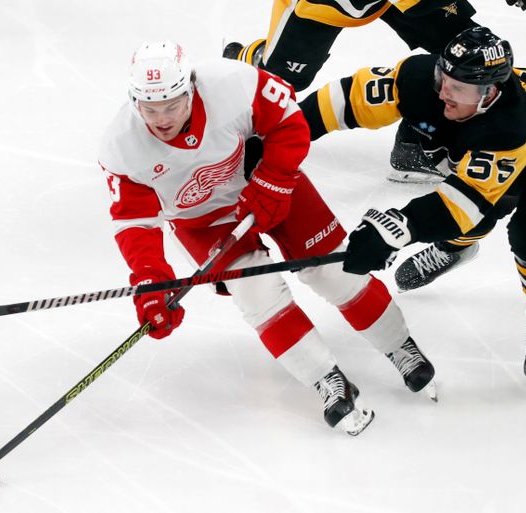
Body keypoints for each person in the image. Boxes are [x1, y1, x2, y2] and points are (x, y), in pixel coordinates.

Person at [97, 40, 436, 435]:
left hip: (265, 179)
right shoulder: (121, 146)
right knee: (257, 292)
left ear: (190, 88)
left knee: (334, 270)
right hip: (201, 220)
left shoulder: (231, 82)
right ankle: (325, 378)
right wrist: (152, 280)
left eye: (172, 105)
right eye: (150, 109)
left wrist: (275, 180)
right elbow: (134, 223)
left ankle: (399, 345)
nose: (162, 118)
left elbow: (289, 119)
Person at [299, 27, 526, 392]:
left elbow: (466, 204)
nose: (443, 91)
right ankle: (456, 249)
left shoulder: (509, 127)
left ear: (489, 94)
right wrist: (282, 137)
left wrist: (398, 229)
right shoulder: (420, 77)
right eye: (442, 78)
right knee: (461, 193)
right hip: (509, 152)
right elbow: (344, 100)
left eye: (457, 88)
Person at [223, 0, 526, 183]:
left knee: (464, 55)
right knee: (280, 82)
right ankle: (251, 58)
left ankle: (416, 143)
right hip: (320, 8)